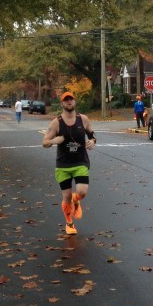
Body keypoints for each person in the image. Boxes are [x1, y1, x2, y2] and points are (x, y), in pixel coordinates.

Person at [42, 91, 97, 236]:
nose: (69, 102)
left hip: (80, 162)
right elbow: (44, 142)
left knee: (82, 192)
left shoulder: (83, 119)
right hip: (63, 165)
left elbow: (92, 135)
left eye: (71, 99)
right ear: (62, 104)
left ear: (75, 102)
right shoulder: (56, 122)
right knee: (66, 197)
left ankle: (76, 199)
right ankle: (69, 223)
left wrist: (92, 141)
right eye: (66, 100)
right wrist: (54, 140)